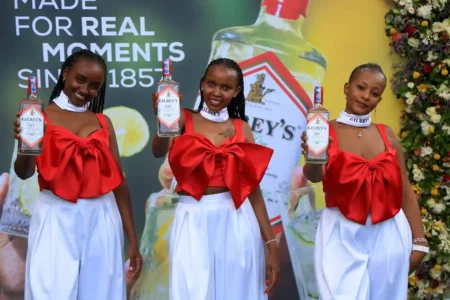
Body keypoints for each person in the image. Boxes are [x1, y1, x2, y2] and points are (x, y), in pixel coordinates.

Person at [13, 49, 142, 300]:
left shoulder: (103, 122)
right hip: (56, 215)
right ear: (65, 74)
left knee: (102, 293)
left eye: (94, 86)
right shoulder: (38, 116)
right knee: (50, 292)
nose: (85, 89)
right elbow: (24, 172)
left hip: (102, 216)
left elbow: (119, 183)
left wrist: (132, 239)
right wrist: (25, 143)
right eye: (80, 80)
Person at [152, 58, 280, 300]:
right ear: (202, 84)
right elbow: (158, 151)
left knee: (237, 292)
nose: (216, 92)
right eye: (211, 84)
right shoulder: (182, 119)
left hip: (237, 217)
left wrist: (271, 241)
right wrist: (161, 120)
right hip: (192, 217)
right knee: (192, 291)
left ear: (237, 91)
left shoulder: (243, 128)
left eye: (225, 87)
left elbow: (252, 188)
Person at [301, 63, 427, 299]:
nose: (366, 96)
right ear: (347, 88)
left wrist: (419, 240)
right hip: (341, 232)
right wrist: (315, 153)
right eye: (361, 88)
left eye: (375, 93)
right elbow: (314, 176)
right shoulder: (324, 129)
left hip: (389, 231)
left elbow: (405, 190)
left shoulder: (386, 133)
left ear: (379, 100)